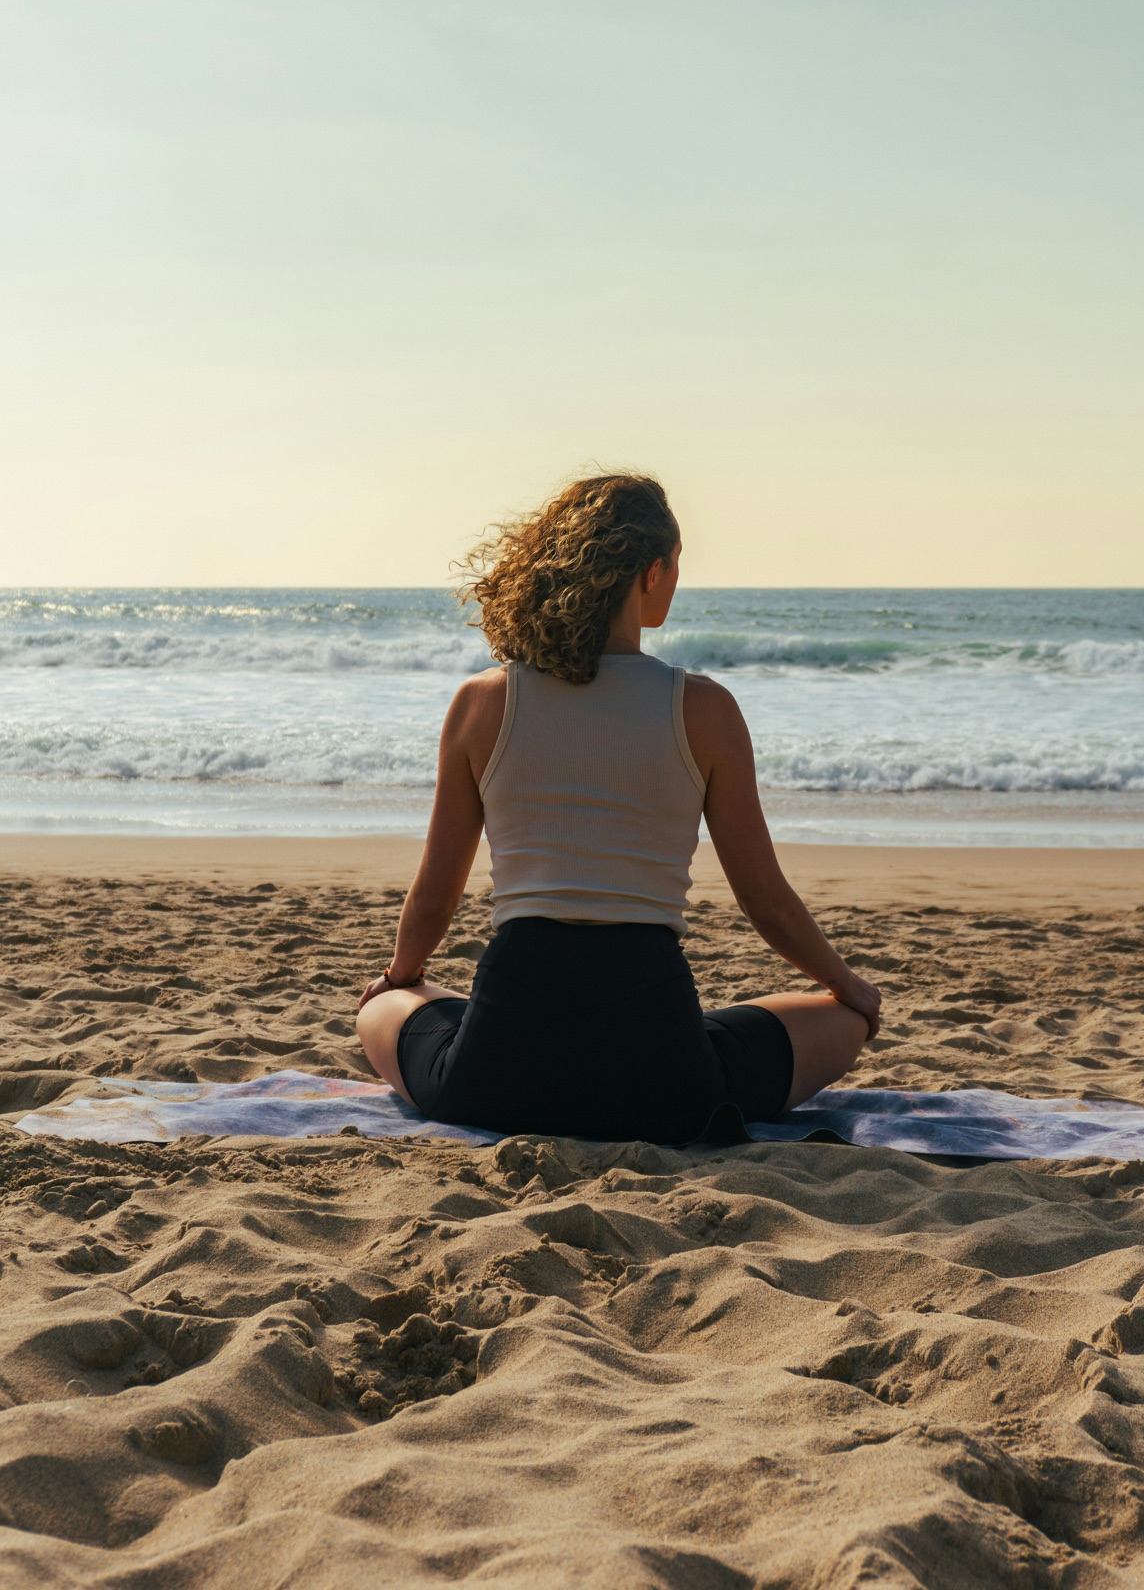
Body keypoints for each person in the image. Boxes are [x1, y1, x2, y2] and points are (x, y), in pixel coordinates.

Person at [356, 473, 880, 1144]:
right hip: (664, 1077)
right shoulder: (704, 710)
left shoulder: (482, 703)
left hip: (496, 1075)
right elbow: (766, 901)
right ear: (651, 572)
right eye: (677, 564)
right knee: (841, 1021)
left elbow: (435, 895)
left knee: (387, 1009)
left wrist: (399, 977)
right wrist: (846, 984)